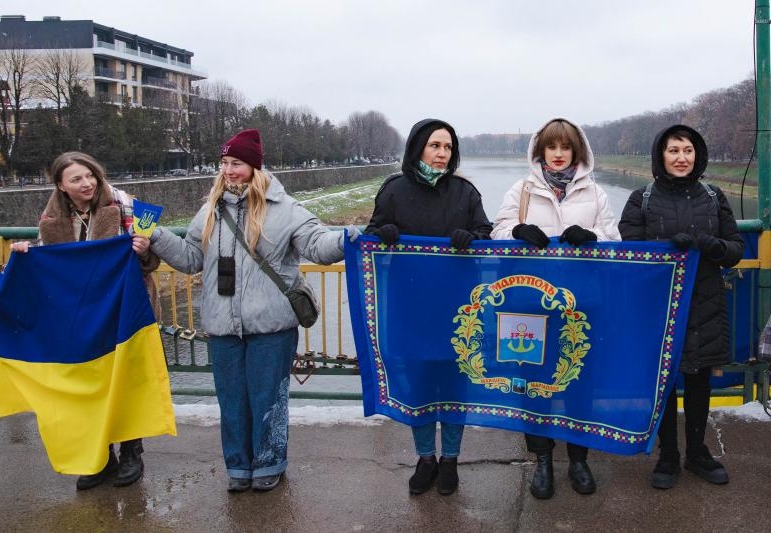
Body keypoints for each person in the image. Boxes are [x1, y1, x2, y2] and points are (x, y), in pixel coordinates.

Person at [149, 129, 353, 493]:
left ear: (255, 167)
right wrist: (157, 237)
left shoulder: (285, 210)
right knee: (231, 402)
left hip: (271, 326)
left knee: (268, 399)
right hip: (223, 326)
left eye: (237, 163)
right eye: (224, 163)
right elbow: (191, 258)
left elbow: (318, 246)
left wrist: (348, 238)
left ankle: (269, 462)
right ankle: (239, 467)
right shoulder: (210, 209)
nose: (228, 170)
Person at [10, 151, 160, 490]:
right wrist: (25, 254)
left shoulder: (127, 206)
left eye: (90, 175)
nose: (86, 182)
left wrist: (144, 249)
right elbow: (47, 260)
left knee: (127, 382)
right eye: (76, 178)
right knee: (90, 386)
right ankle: (100, 457)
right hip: (79, 318)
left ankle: (132, 452)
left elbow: (151, 258)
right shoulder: (50, 219)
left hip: (124, 311)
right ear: (61, 186)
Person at [491, 117, 620, 499]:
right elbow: (496, 231)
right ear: (541, 152)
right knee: (535, 383)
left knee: (581, 380)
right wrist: (516, 233)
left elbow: (614, 239)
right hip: (531, 305)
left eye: (566, 148)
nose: (559, 154)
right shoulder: (522, 190)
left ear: (576, 152)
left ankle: (578, 458)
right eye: (552, 147)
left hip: (582, 305)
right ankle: (543, 459)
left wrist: (591, 238)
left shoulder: (595, 194)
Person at [365, 118, 492, 496]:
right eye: (435, 146)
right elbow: (372, 235)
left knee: (455, 385)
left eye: (448, 148)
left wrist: (472, 237)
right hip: (410, 308)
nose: (442, 154)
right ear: (418, 148)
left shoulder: (465, 193)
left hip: (458, 311)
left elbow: (486, 234)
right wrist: (381, 234)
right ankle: (425, 458)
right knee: (419, 385)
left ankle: (450, 459)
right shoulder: (393, 191)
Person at [619, 125, 744, 489]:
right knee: (664, 383)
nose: (681, 158)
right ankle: (668, 455)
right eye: (674, 151)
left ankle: (698, 453)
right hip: (658, 305)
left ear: (697, 155)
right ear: (661, 155)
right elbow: (632, 252)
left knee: (700, 378)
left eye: (687, 151)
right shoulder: (641, 198)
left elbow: (734, 250)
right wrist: (666, 247)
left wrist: (707, 243)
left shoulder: (713, 195)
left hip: (704, 301)